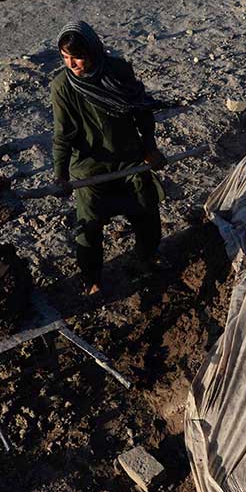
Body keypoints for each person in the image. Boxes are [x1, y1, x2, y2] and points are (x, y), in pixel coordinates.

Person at [50, 21, 166, 295]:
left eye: (77, 57)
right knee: (89, 229)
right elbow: (62, 134)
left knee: (147, 214)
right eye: (65, 58)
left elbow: (141, 110)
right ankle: (92, 280)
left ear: (93, 50)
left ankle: (145, 259)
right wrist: (60, 175)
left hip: (130, 160)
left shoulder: (118, 71)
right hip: (89, 169)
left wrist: (150, 148)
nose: (72, 64)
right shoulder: (62, 87)